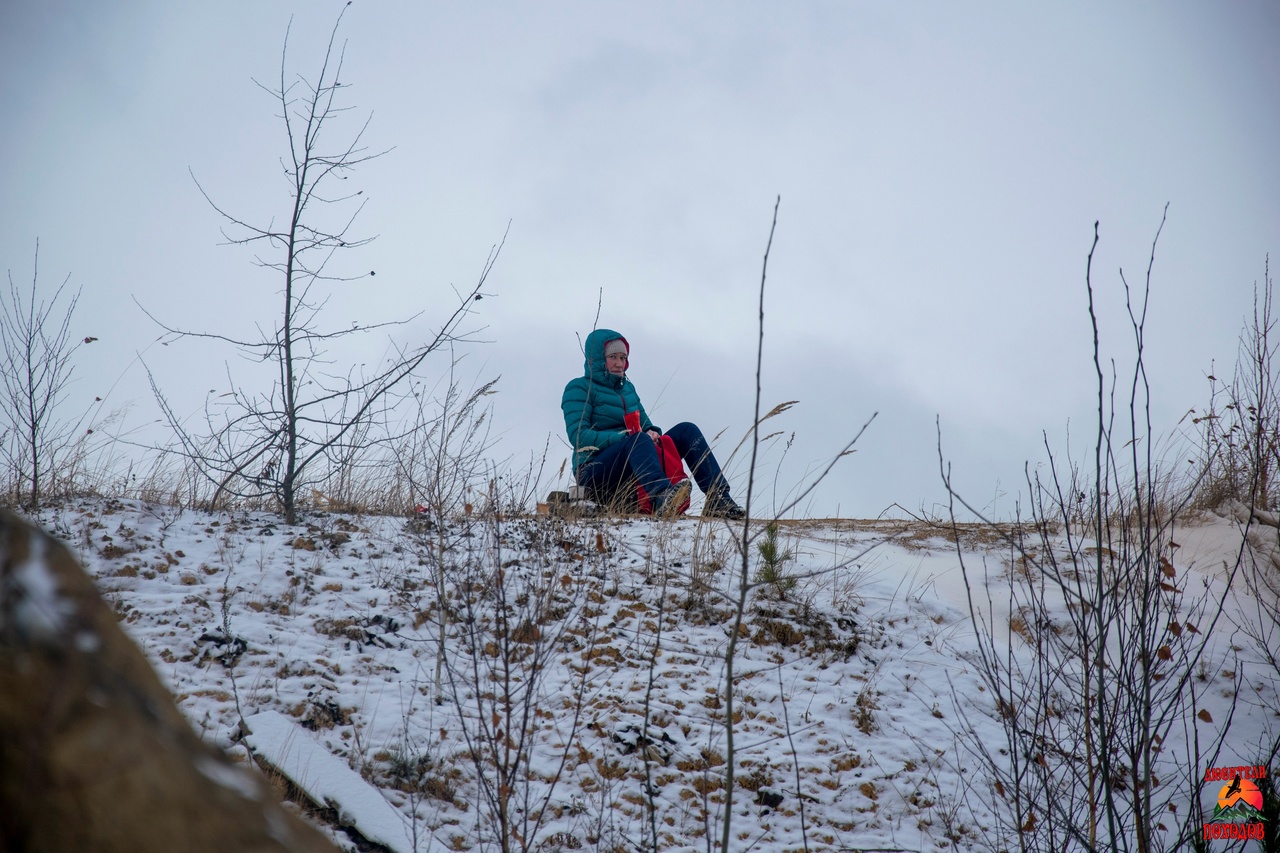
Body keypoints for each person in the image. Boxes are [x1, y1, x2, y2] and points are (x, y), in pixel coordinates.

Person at [561, 328, 746, 519]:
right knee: (637, 440)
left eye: (623, 358)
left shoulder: (628, 389)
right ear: (598, 359)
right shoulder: (578, 388)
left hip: (632, 459)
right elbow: (578, 437)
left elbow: (646, 424)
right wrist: (624, 437)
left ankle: (719, 499)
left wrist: (653, 433)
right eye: (613, 357)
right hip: (594, 470)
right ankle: (662, 497)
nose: (619, 364)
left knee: (687, 430)